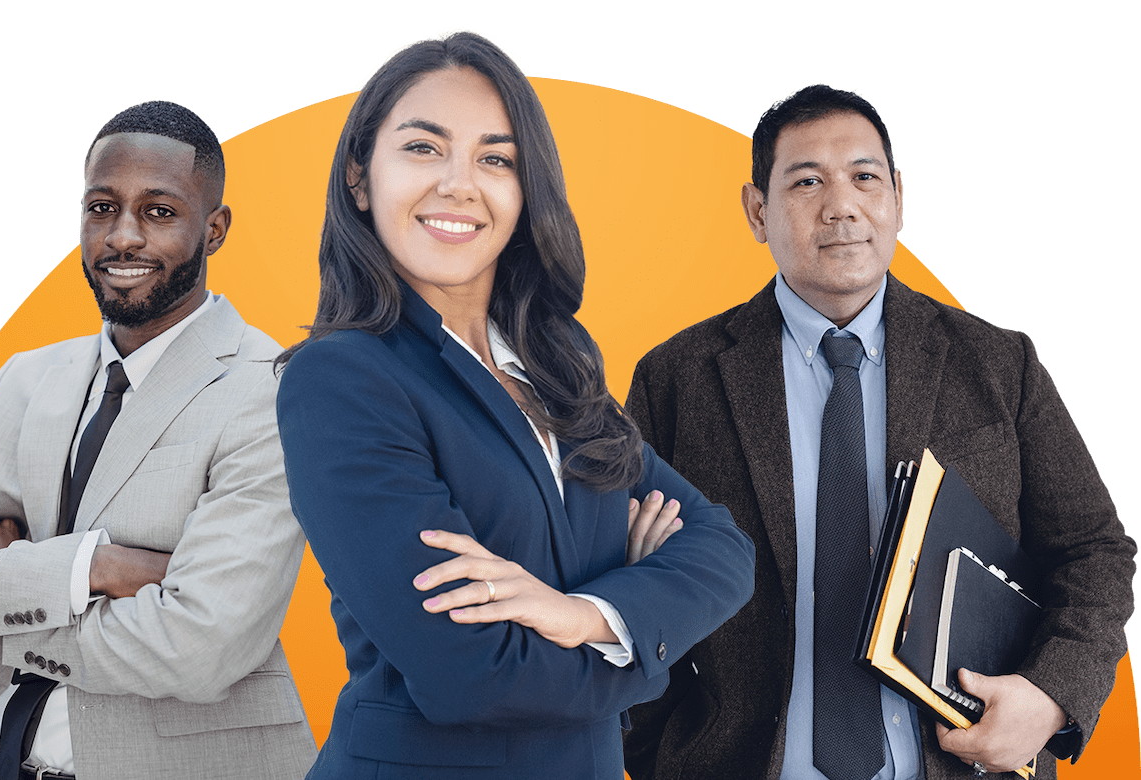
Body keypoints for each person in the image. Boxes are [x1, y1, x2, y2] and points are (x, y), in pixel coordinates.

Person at [274, 29, 756, 780]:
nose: (459, 185)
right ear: (360, 178)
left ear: (525, 192)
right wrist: (638, 625)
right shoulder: (341, 381)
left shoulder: (558, 370)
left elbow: (724, 549)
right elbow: (469, 675)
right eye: (423, 148)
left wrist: (577, 615)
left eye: (495, 159)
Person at [622, 84, 1136, 780]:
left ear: (897, 196)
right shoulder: (676, 379)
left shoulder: (998, 362)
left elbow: (1094, 550)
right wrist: (653, 754)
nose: (841, 206)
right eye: (807, 182)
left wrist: (1050, 697)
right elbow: (632, 577)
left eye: (864, 177)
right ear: (757, 211)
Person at [0, 100, 318, 780]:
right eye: (101, 207)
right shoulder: (24, 380)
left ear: (215, 229)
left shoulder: (271, 389)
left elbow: (200, 644)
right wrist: (95, 567)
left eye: (158, 211)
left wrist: (3, 597)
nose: (122, 237)